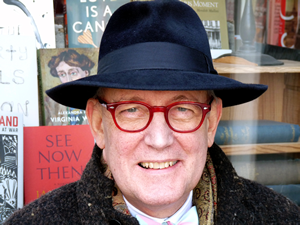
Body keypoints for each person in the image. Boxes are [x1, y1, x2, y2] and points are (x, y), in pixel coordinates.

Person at [5, 0, 300, 224]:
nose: (159, 140)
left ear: (210, 123)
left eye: (183, 109)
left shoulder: (282, 217)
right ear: (98, 124)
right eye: (131, 109)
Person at [45, 49, 95, 125]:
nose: (68, 80)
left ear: (85, 73)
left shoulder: (98, 101)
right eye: (62, 74)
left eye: (73, 73)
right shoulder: (50, 104)